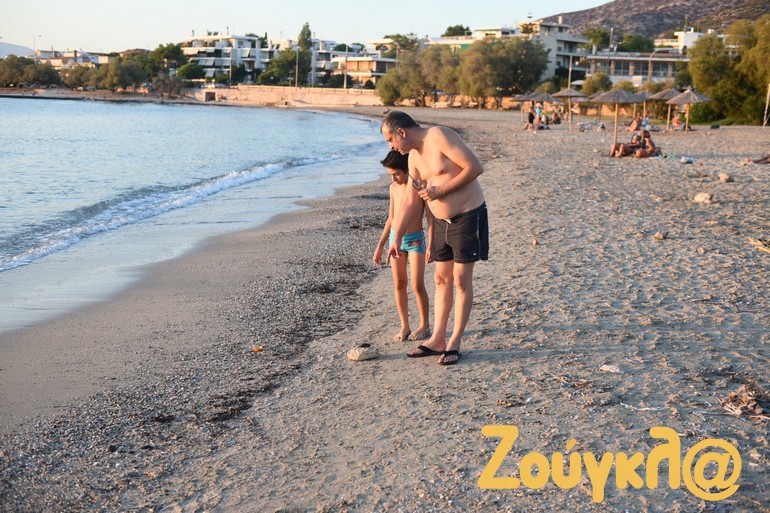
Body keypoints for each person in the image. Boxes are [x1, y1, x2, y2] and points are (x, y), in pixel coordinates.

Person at [381, 110, 488, 366]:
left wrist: (440, 190)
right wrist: (396, 237)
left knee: (461, 280)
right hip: (441, 223)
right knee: (441, 279)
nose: (391, 146)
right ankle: (438, 338)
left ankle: (455, 342)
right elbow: (409, 200)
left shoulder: (439, 136)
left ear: (401, 132)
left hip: (467, 216)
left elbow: (474, 167)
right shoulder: (413, 157)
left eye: (390, 140)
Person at [372, 150, 432, 342]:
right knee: (399, 283)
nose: (394, 178)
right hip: (395, 239)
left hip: (415, 240)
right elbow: (391, 218)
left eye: (397, 174)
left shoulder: (419, 186)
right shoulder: (393, 188)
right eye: (391, 174)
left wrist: (431, 243)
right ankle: (404, 326)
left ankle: (424, 325)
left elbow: (429, 216)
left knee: (417, 284)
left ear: (408, 170)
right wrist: (380, 245)